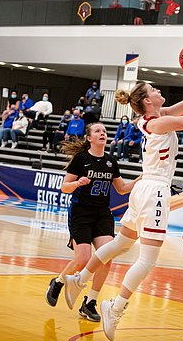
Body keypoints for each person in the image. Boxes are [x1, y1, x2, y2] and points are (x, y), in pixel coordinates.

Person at [63, 65, 183, 340]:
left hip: (144, 188)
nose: (158, 91)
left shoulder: (152, 118)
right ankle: (115, 307)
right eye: (154, 90)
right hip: (154, 190)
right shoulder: (159, 122)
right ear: (146, 101)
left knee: (121, 244)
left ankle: (78, 279)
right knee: (148, 259)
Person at [45, 123, 139, 321]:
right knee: (83, 260)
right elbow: (64, 188)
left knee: (106, 257)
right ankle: (59, 281)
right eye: (98, 131)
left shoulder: (111, 161)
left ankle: (90, 303)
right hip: (81, 213)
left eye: (104, 131)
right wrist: (77, 183)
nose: (102, 133)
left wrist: (141, 181)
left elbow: (121, 189)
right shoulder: (81, 160)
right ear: (89, 138)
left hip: (102, 214)